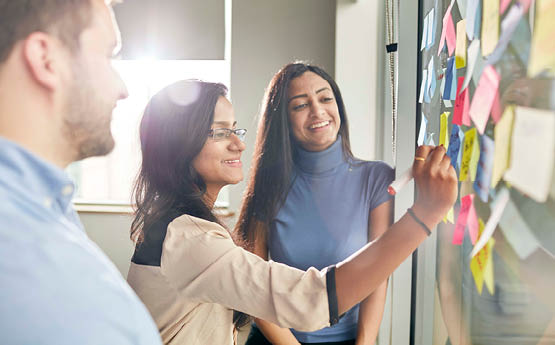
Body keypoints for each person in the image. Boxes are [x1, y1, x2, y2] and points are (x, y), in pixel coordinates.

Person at [127, 79, 458, 345]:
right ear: (179, 144)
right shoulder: (189, 238)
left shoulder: (177, 227)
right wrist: (425, 214)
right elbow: (309, 298)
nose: (238, 144)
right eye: (220, 132)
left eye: (235, 129)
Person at [0, 1, 161, 344]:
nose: (123, 88)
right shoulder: (17, 250)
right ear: (47, 59)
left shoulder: (47, 207)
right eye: (107, 55)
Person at [236, 62, 393, 345]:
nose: (318, 111)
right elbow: (253, 288)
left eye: (325, 98)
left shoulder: (377, 179)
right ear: (283, 119)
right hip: (277, 340)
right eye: (300, 105)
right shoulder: (268, 186)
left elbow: (377, 276)